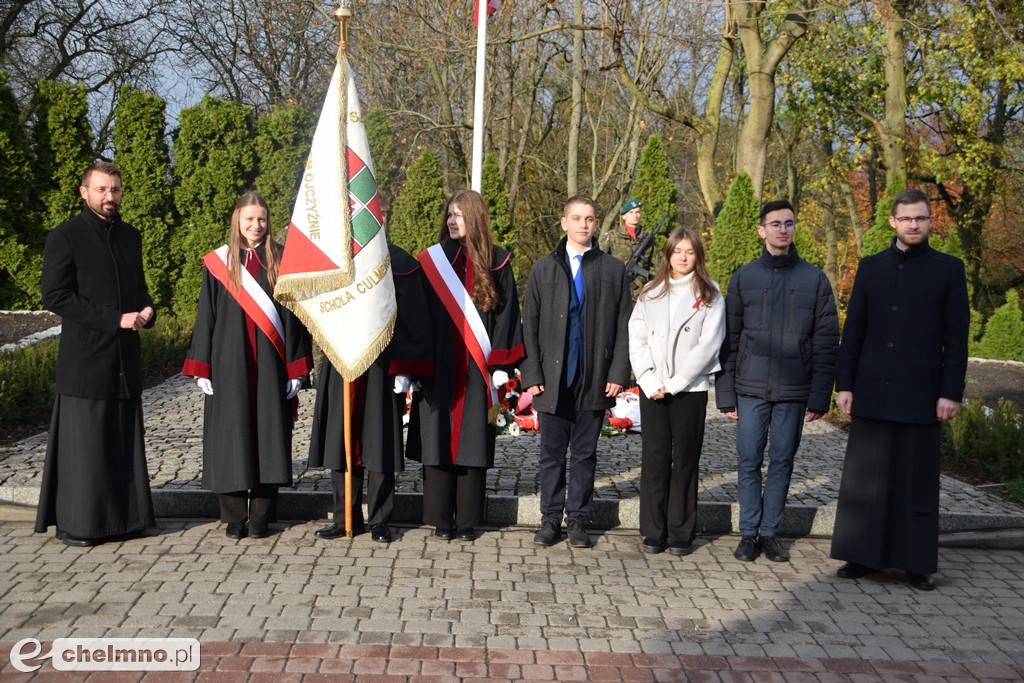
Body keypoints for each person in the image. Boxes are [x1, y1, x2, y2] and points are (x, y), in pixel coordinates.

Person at [830, 189, 969, 591]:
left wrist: (950, 392)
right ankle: (861, 555)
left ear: (930, 222)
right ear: (893, 221)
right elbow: (853, 331)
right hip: (872, 388)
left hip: (922, 393)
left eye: (920, 218)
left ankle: (915, 562)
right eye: (906, 218)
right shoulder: (871, 267)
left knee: (916, 481)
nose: (913, 225)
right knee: (866, 479)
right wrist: (845, 385)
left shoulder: (948, 269)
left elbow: (956, 339)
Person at [35, 161, 156, 547]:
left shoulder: (131, 236)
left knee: (122, 441)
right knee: (87, 449)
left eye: (115, 190)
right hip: (86, 359)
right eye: (102, 190)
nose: (110, 197)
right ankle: (81, 526)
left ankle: (127, 521)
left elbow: (138, 287)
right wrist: (114, 319)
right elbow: (56, 295)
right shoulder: (65, 236)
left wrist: (147, 308)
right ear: (84, 192)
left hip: (124, 358)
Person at [183, 191, 312, 540]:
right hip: (229, 363)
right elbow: (205, 315)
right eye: (249, 219)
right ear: (237, 222)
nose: (256, 226)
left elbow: (296, 319)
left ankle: (262, 516)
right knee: (232, 437)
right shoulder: (219, 263)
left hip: (271, 365)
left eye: (262, 219)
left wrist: (297, 369)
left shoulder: (283, 261)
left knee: (270, 437)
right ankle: (234, 514)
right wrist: (202, 366)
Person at [715, 199, 839, 563]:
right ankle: (748, 533)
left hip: (794, 390)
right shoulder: (744, 277)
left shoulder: (814, 279)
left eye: (788, 223)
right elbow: (730, 338)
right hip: (750, 387)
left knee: (783, 461)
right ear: (762, 230)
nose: (782, 229)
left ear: (794, 228)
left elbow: (826, 340)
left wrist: (820, 395)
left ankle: (770, 534)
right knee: (748, 460)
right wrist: (726, 395)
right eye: (775, 224)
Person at [408, 189, 523, 542]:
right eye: (449, 215)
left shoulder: (498, 261)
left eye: (459, 215)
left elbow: (507, 315)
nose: (452, 221)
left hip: (478, 369)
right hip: (438, 364)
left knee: (472, 439)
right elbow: (418, 316)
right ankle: (441, 519)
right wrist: (415, 363)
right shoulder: (430, 262)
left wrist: (502, 362)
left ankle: (468, 521)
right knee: (437, 437)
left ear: (475, 218)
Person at [521, 195, 632, 549]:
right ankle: (551, 519)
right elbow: (530, 327)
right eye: (577, 218)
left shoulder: (614, 270)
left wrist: (618, 372)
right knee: (551, 455)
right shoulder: (543, 268)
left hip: (595, 378)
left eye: (590, 219)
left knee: (584, 454)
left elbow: (624, 325)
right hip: (552, 380)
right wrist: (532, 372)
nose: (583, 224)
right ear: (564, 222)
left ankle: (579, 521)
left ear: (597, 224)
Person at [309, 243, 431, 543]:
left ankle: (380, 519)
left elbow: (412, 315)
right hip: (340, 359)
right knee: (341, 441)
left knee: (380, 443)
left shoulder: (400, 261)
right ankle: (344, 517)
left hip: (382, 362)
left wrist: (404, 366)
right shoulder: (332, 256)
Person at [629, 227, 725, 555]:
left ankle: (682, 530)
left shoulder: (710, 293)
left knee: (685, 458)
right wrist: (649, 378)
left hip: (690, 388)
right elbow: (637, 338)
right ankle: (654, 530)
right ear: (667, 254)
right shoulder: (650, 292)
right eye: (677, 251)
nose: (682, 257)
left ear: (698, 255)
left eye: (689, 252)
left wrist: (678, 381)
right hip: (652, 388)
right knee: (655, 457)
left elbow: (709, 343)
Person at [601, 198, 642, 264]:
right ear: (624, 216)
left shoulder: (646, 237)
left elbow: (655, 268)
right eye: (631, 212)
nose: (635, 216)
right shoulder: (612, 236)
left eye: (637, 212)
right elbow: (600, 260)